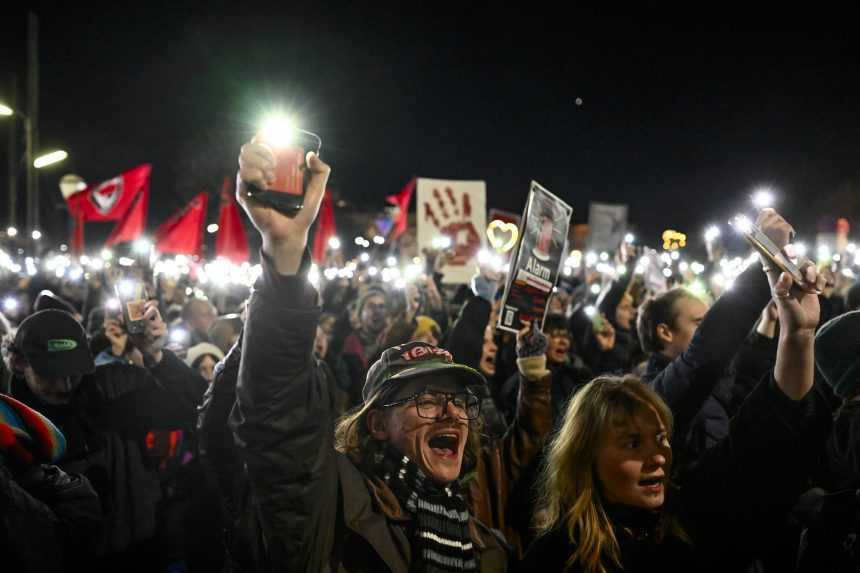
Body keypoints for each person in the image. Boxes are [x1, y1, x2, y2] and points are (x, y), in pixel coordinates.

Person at [229, 140, 550, 571]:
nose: (452, 414)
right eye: (428, 399)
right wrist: (284, 253)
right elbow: (278, 418)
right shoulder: (334, 511)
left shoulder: (490, 550)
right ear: (378, 422)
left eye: (458, 401)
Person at [518, 258, 831, 572]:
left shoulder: (685, 519)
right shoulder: (555, 558)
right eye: (632, 443)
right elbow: (701, 362)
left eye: (660, 439)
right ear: (586, 455)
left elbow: (760, 433)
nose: (657, 457)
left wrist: (799, 334)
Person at [4, 307, 207, 571]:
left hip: (141, 553)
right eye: (52, 373)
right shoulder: (9, 424)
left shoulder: (118, 385)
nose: (66, 384)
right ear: (20, 363)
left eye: (74, 371)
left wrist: (156, 356)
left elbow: (198, 407)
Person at [637, 208, 783, 466]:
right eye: (699, 323)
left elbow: (745, 387)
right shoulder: (649, 396)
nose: (707, 330)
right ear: (665, 332)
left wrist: (772, 322)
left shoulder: (718, 386)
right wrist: (765, 258)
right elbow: (703, 356)